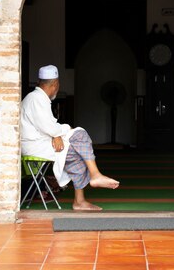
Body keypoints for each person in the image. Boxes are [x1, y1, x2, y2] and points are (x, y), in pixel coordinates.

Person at [20, 64, 119, 211]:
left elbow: (48, 126)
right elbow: (49, 127)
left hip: (41, 142)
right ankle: (94, 177)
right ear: (55, 84)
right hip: (35, 146)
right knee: (79, 135)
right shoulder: (36, 99)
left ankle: (82, 197)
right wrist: (61, 132)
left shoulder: (37, 98)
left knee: (78, 145)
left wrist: (57, 134)